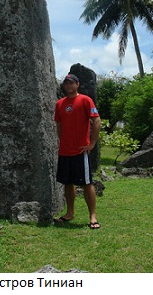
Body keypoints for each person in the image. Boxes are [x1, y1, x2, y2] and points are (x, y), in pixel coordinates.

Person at [53, 73, 102, 229]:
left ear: (77, 84)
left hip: (80, 151)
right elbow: (59, 125)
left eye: (71, 83)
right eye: (66, 83)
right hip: (65, 151)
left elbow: (96, 120)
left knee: (87, 183)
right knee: (67, 183)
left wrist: (92, 143)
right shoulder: (60, 104)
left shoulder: (85, 100)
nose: (69, 85)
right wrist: (63, 141)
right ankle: (70, 213)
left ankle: (93, 216)